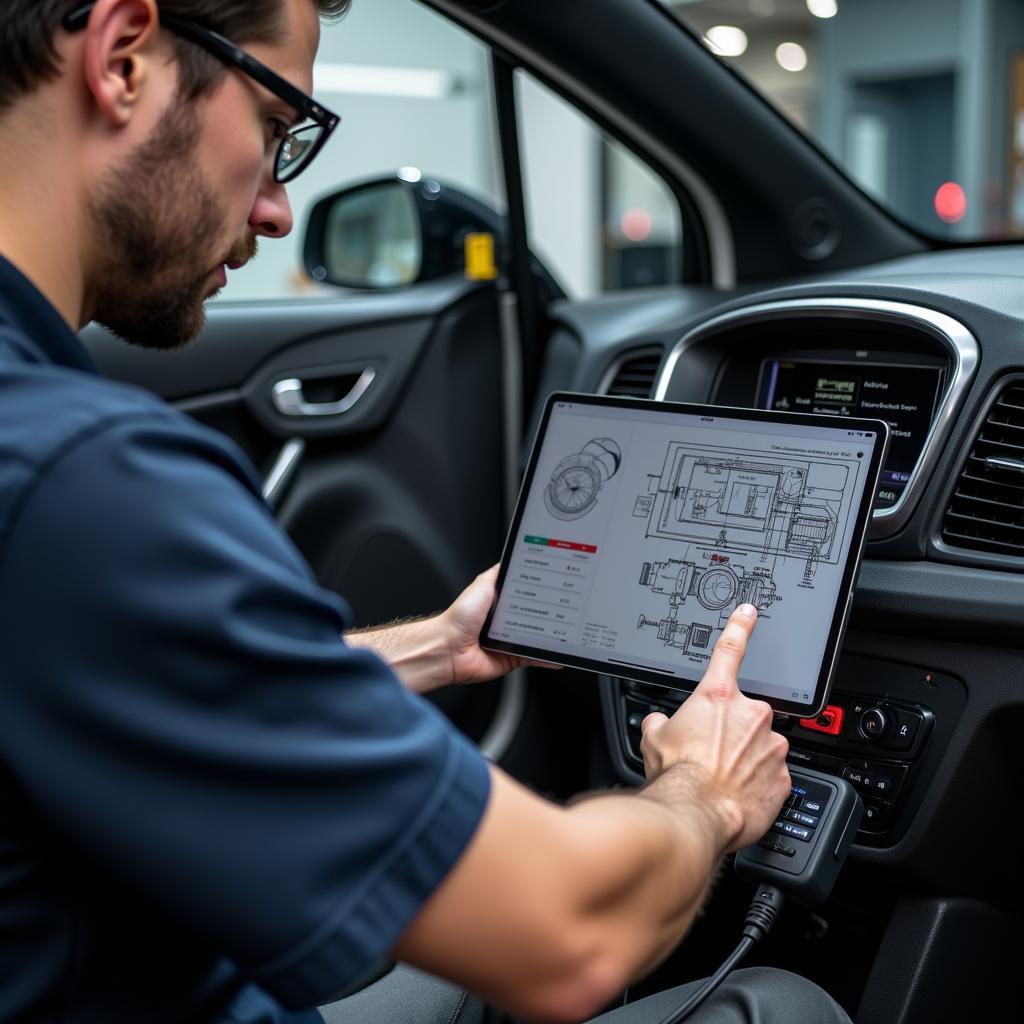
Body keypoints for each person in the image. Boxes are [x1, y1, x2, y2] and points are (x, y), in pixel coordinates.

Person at [0, 2, 852, 1022]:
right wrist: (708, 794)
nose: (276, 210)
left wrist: (438, 648)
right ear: (124, 54)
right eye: (279, 128)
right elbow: (566, 933)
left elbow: (128, 679)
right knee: (781, 1007)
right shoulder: (81, 483)